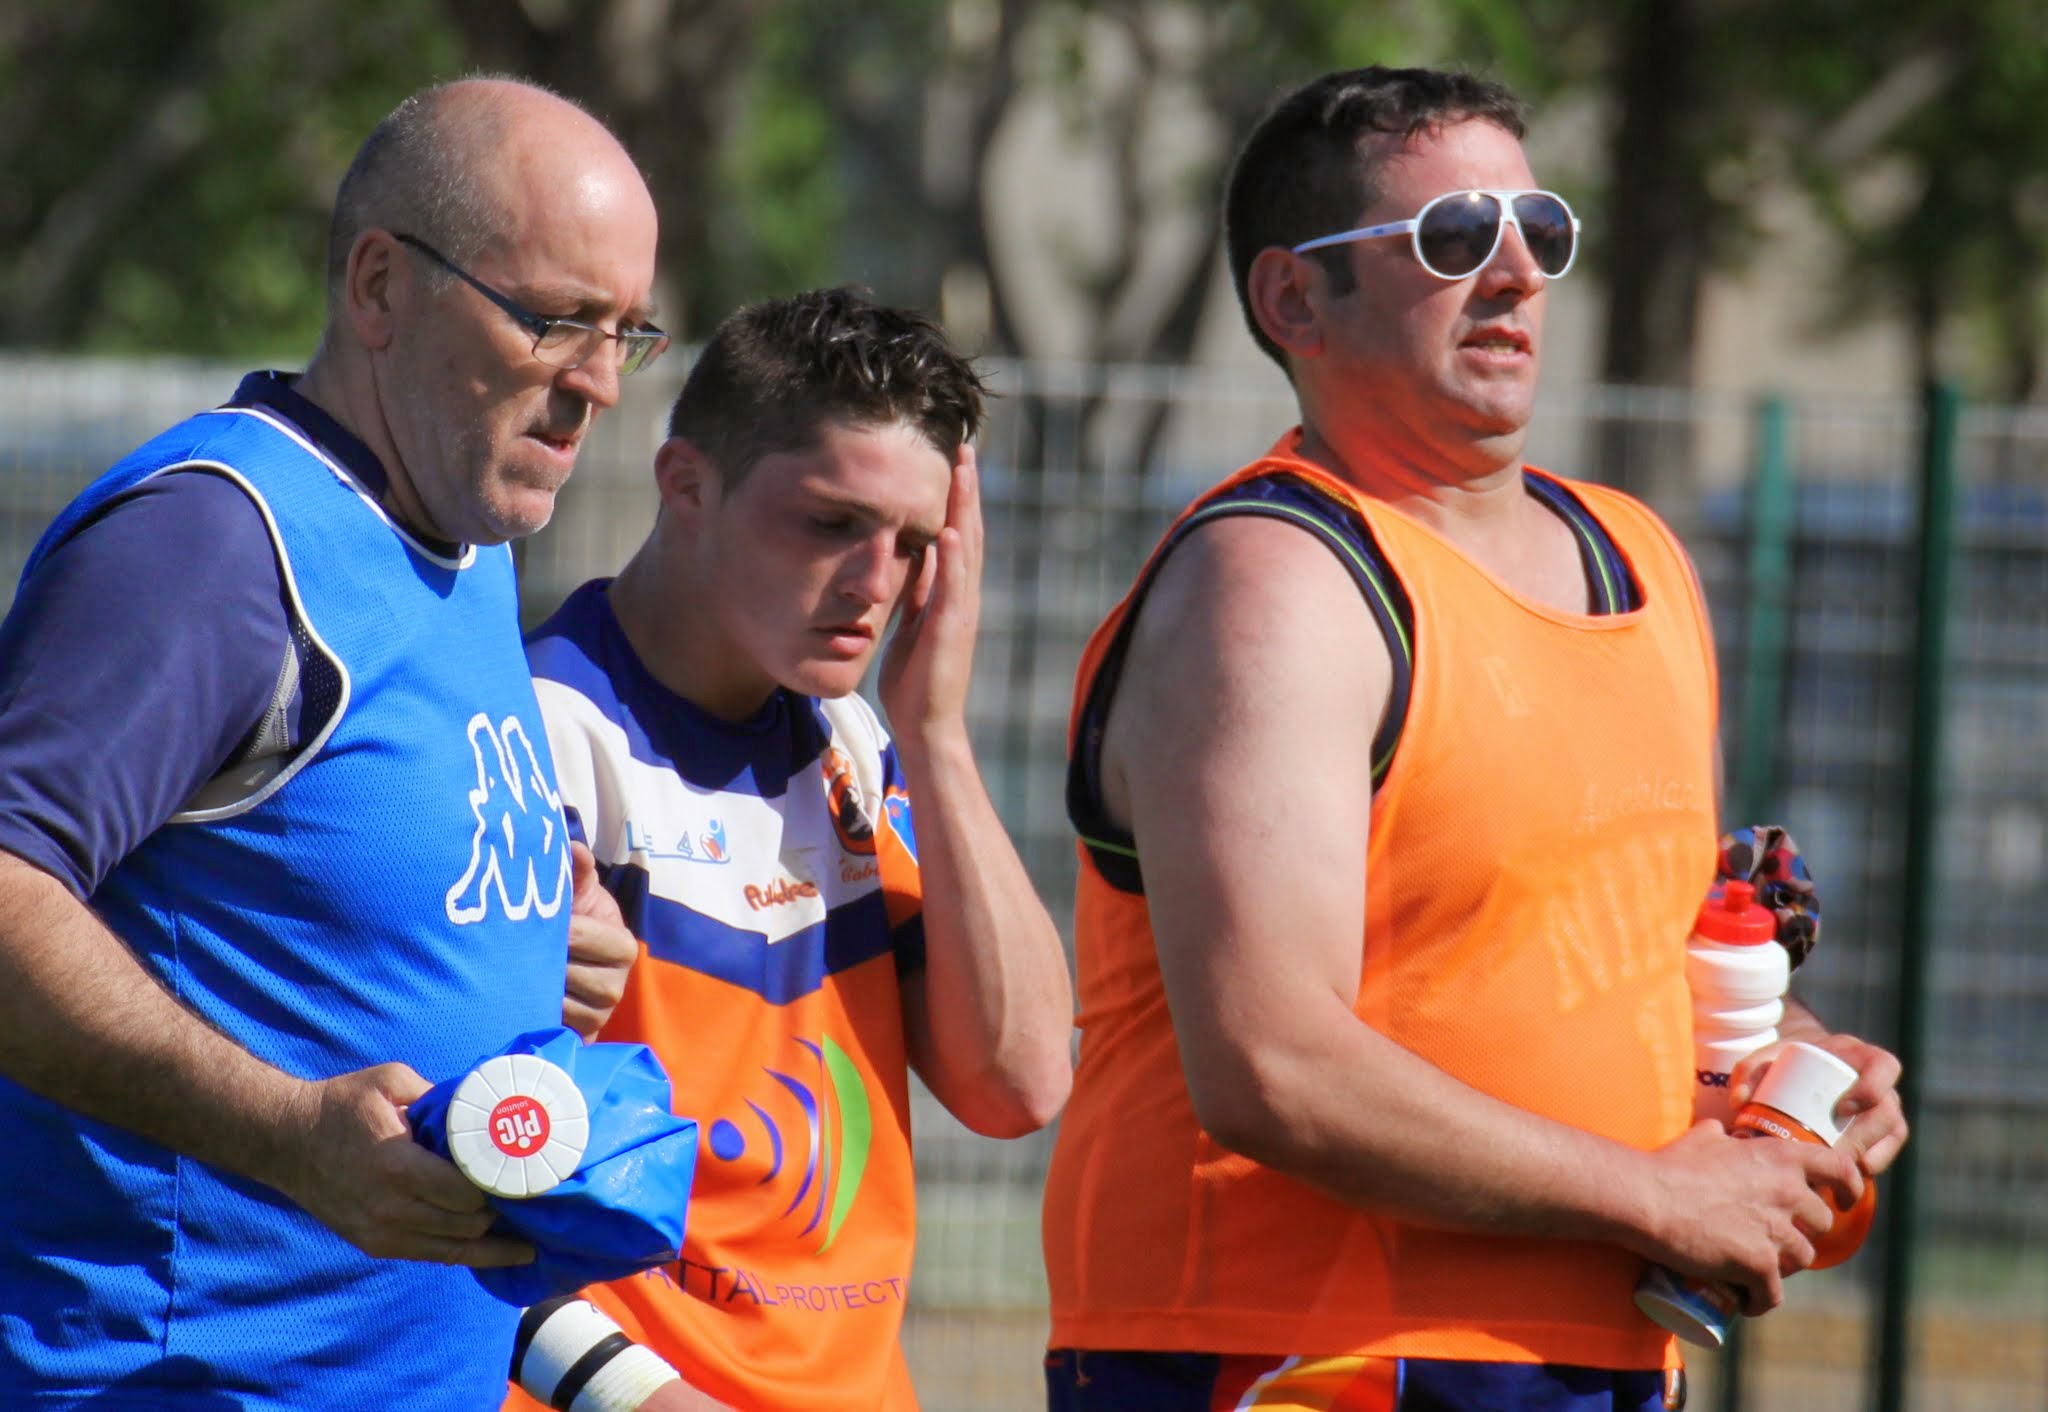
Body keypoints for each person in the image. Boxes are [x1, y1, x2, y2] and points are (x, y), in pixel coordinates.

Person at [1039, 65, 1909, 1412]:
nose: (1512, 274)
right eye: (1451, 238)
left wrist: (1790, 1069)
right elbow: (1272, 1066)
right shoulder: (1275, 579)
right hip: (1295, 1352)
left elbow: (1639, 959)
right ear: (1293, 300)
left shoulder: (1635, 553)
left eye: (1539, 231)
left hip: (1600, 1348)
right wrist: (1654, 1195)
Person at [0, 77, 661, 1409]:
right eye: (553, 320)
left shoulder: (463, 535)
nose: (596, 382)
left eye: (626, 332)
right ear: (379, 288)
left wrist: (542, 923)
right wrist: (291, 1134)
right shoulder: (215, 542)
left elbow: (331, 872)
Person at [507, 288, 1074, 1412]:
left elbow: (1018, 1083)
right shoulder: (542, 739)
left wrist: (938, 734)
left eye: (913, 545)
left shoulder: (855, 738)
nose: (875, 584)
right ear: (686, 485)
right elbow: (457, 1154)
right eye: (830, 523)